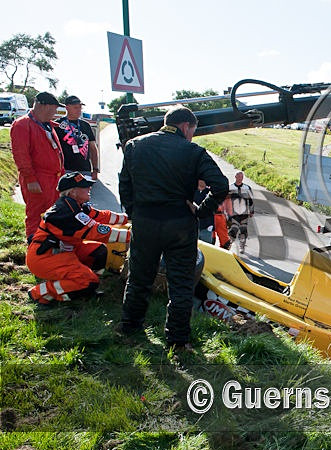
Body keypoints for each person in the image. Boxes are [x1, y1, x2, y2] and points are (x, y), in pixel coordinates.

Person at [117, 106, 228, 351]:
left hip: (145, 220)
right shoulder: (193, 151)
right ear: (186, 126)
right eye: (192, 131)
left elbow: (124, 184)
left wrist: (134, 212)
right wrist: (200, 211)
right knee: (181, 283)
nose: (191, 136)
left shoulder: (135, 146)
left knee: (139, 278)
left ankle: (129, 327)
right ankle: (178, 341)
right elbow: (220, 185)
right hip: (179, 223)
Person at [26, 172, 129, 305]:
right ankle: (40, 292)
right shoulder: (64, 212)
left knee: (99, 251)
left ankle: (86, 285)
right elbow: (97, 232)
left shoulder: (76, 205)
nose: (89, 188)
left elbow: (102, 216)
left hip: (65, 251)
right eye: (85, 187)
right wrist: (133, 236)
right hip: (45, 257)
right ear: (73, 192)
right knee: (89, 281)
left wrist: (129, 216)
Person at [10, 92, 65, 241]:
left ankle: (50, 246)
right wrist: (30, 179)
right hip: (38, 178)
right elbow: (21, 154)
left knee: (53, 213)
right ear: (43, 106)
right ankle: (35, 247)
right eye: (53, 109)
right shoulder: (22, 125)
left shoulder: (47, 125)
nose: (54, 113)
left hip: (54, 178)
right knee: (36, 213)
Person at [56, 95, 98, 179]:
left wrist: (95, 169)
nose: (78, 110)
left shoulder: (85, 125)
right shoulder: (57, 124)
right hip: (65, 170)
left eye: (80, 107)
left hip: (84, 170)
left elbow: (93, 148)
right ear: (67, 108)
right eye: (75, 107)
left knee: (84, 192)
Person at [223, 171, 255, 253]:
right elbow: (226, 201)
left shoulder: (247, 188)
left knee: (243, 230)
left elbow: (251, 200)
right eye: (239, 176)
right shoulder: (230, 188)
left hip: (244, 213)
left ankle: (242, 246)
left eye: (242, 177)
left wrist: (251, 211)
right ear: (235, 177)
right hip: (233, 213)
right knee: (233, 229)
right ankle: (228, 245)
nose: (240, 178)